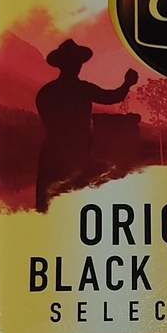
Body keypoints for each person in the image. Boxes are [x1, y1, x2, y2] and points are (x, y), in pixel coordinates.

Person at [35, 39, 138, 210]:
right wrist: (127, 83)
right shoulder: (83, 88)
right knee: (74, 203)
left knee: (48, 205)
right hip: (76, 153)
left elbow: (47, 120)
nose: (78, 66)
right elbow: (111, 97)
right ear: (77, 65)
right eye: (76, 62)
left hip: (51, 154)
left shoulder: (45, 92)